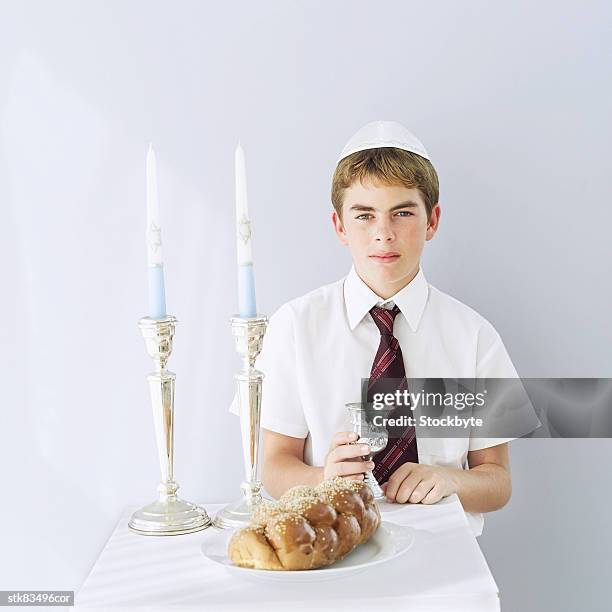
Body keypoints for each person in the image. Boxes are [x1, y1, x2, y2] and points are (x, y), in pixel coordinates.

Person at [230, 120, 524, 537]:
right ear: (339, 226)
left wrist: (450, 481)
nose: (383, 234)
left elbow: (497, 481)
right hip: (332, 550)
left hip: (443, 556)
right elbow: (274, 464)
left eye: (402, 213)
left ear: (432, 220)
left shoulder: (474, 337)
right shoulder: (295, 327)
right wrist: (322, 479)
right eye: (364, 216)